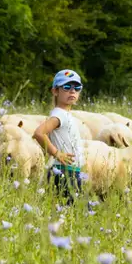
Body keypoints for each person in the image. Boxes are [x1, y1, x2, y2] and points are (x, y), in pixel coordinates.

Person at [33, 69, 87, 202]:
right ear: (55, 91)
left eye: (77, 87)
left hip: (69, 171)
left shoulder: (65, 114)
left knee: (69, 211)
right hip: (65, 171)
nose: (72, 91)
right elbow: (39, 133)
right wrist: (57, 153)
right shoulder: (60, 115)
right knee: (81, 213)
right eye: (67, 87)